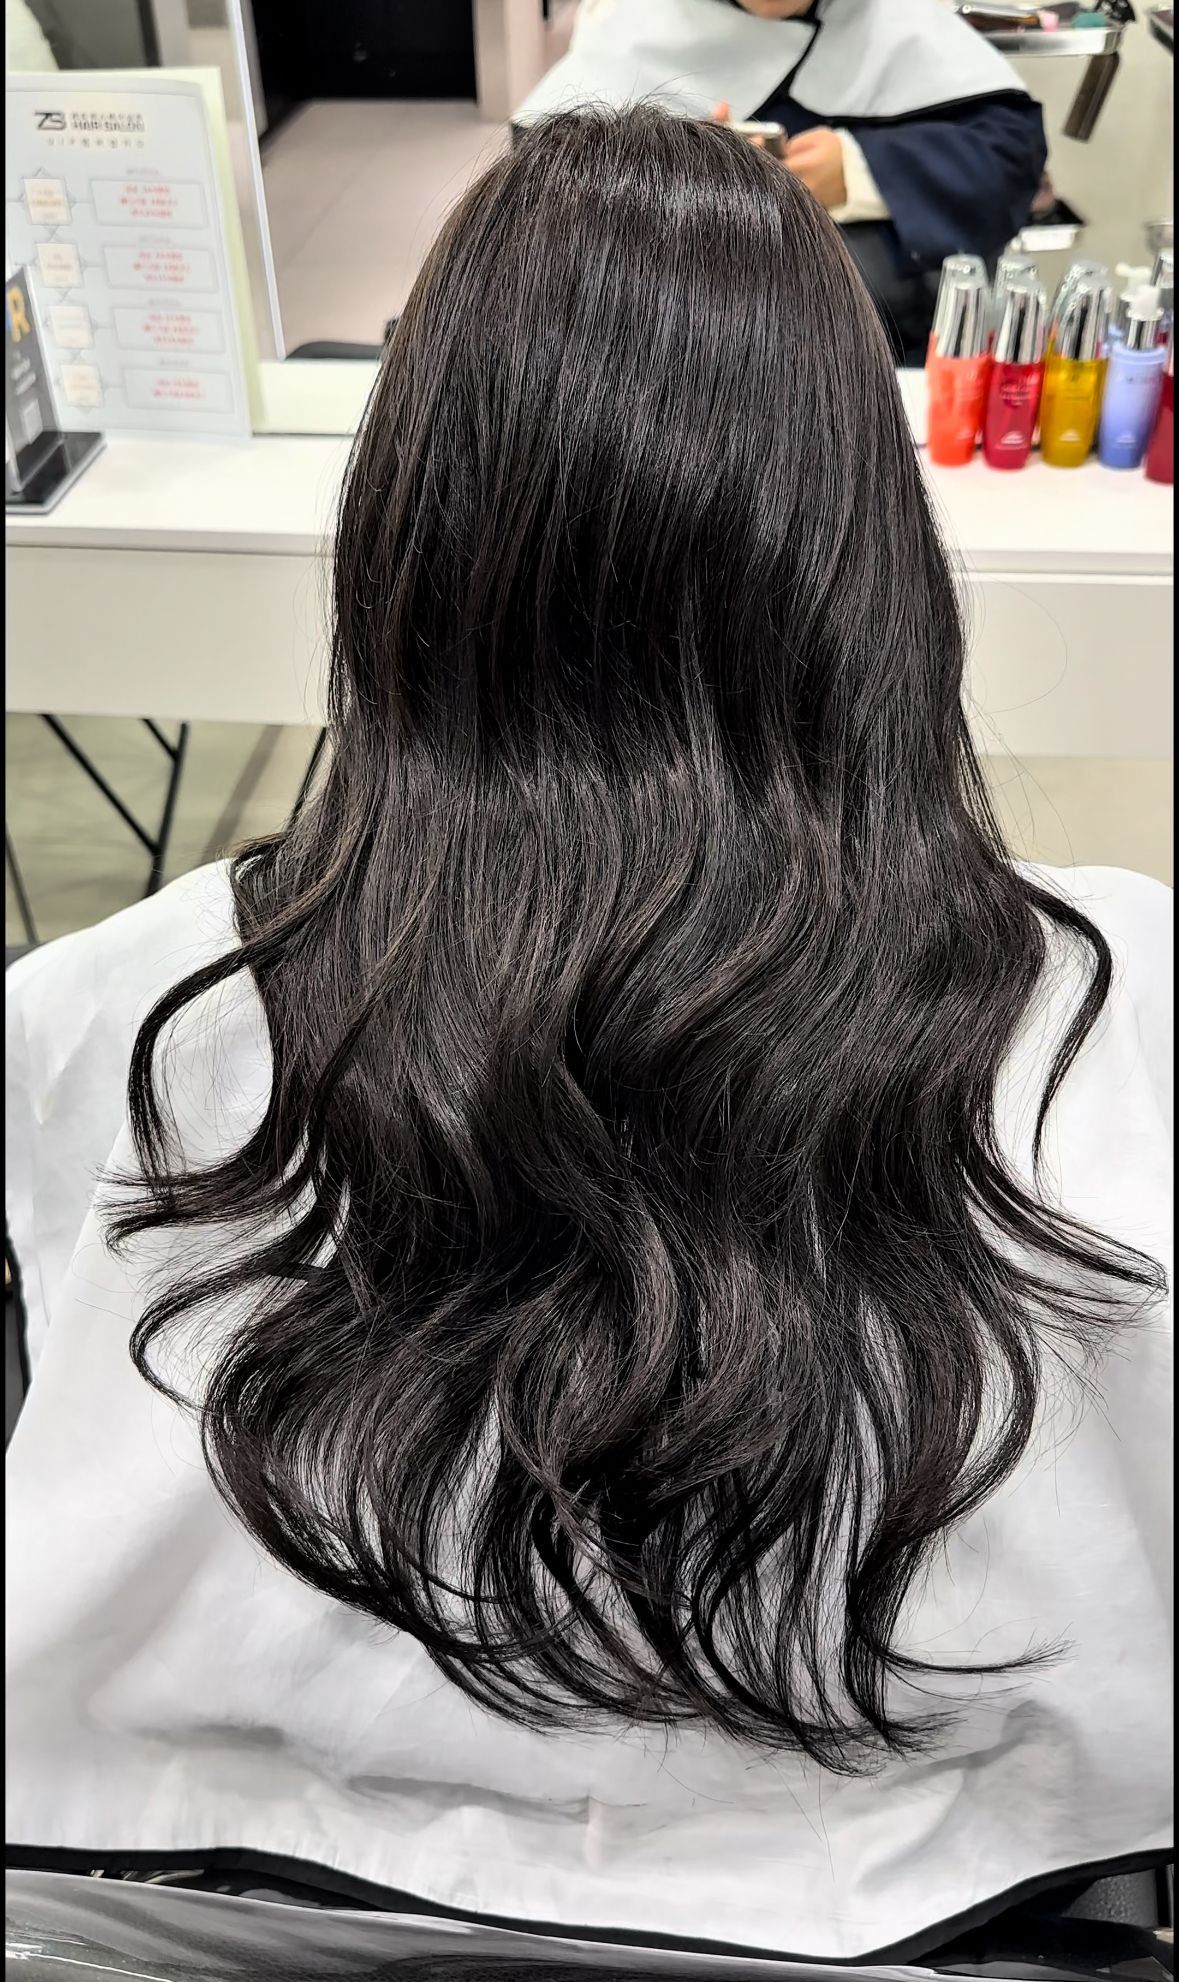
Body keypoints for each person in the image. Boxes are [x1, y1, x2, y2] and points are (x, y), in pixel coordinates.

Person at [5, 108, 1171, 1965]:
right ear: (863, 555)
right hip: (949, 1904)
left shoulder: (109, 1019)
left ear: (410, 534)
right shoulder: (1122, 1004)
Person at [514, 0, 1049, 361]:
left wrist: (858, 169)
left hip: (867, 345)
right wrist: (680, 170)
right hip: (670, 351)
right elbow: (547, 205)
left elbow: (1006, 152)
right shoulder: (634, 24)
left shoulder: (898, 22)